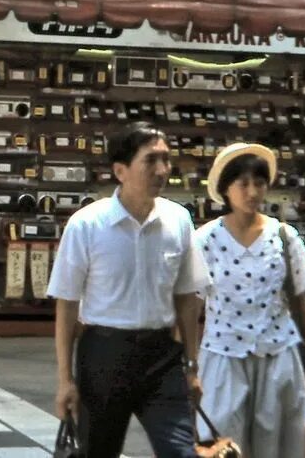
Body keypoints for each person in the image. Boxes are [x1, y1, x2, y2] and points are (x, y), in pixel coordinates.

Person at [47, 122, 210, 458]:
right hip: (105, 356)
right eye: (150, 160)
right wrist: (66, 380)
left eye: (166, 159)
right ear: (120, 170)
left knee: (182, 452)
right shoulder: (86, 225)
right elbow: (66, 305)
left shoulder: (178, 220)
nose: (162, 170)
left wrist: (192, 367)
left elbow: (187, 299)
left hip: (162, 356)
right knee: (98, 451)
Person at [192, 143, 305, 458]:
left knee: (275, 445)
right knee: (220, 443)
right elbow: (190, 309)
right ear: (225, 189)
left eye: (259, 183)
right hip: (222, 360)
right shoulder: (204, 240)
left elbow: (300, 304)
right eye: (243, 184)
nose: (252, 192)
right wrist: (188, 368)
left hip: (278, 358)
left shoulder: (284, 237)